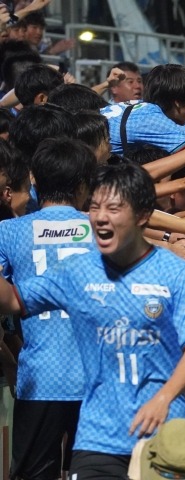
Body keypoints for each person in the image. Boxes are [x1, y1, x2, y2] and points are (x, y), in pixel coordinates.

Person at [0, 162, 185, 478]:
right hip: (97, 438)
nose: (100, 217)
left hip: (163, 431)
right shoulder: (77, 271)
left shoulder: (176, 272)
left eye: (113, 208)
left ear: (143, 215)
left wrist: (163, 399)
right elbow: (11, 300)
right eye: (95, 207)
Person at [0, 138, 96, 480]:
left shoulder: (9, 232)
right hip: (98, 379)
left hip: (41, 377)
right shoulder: (104, 230)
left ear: (35, 179)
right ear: (84, 184)